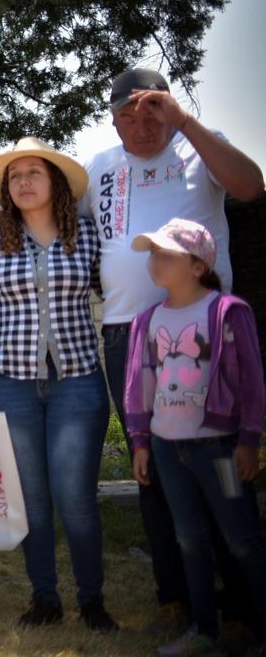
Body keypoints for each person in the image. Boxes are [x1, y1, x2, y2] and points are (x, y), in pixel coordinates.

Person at [0, 67, 264, 626]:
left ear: (171, 109)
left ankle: (245, 593)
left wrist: (186, 124)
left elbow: (251, 186)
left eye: (153, 110)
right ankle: (177, 598)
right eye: (127, 113)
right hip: (126, 335)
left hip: (202, 331)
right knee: (154, 467)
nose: (141, 123)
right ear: (112, 119)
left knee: (223, 460)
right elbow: (47, 220)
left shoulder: (200, 148)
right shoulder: (103, 166)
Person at [0, 138, 118, 632]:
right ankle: (44, 598)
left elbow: (116, 290)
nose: (25, 182)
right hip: (12, 384)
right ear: (6, 191)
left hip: (78, 382)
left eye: (34, 173)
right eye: (15, 176)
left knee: (75, 498)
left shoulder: (90, 236)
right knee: (31, 499)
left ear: (55, 184)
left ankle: (92, 601)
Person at [125, 219, 266, 655]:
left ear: (198, 266)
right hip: (169, 452)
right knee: (188, 538)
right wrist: (142, 441)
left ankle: (260, 629)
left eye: (166, 254)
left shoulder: (228, 312)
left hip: (220, 452)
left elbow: (253, 382)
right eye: (153, 254)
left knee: (241, 538)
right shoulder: (147, 321)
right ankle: (204, 632)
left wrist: (248, 439)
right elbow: (140, 385)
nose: (155, 262)